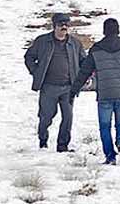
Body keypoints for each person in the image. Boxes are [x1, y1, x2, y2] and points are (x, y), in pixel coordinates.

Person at [70, 18, 120, 165]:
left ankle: (110, 156)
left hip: (105, 94)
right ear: (118, 30)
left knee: (105, 126)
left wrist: (74, 90)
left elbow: (84, 72)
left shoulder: (96, 49)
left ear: (104, 31)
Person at [23, 13, 86, 152]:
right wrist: (36, 72)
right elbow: (29, 57)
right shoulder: (42, 41)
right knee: (46, 116)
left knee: (68, 117)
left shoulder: (75, 43)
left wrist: (83, 76)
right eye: (60, 25)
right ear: (54, 26)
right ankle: (43, 140)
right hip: (48, 87)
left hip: (68, 87)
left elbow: (84, 62)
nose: (64, 27)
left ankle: (62, 146)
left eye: (66, 25)